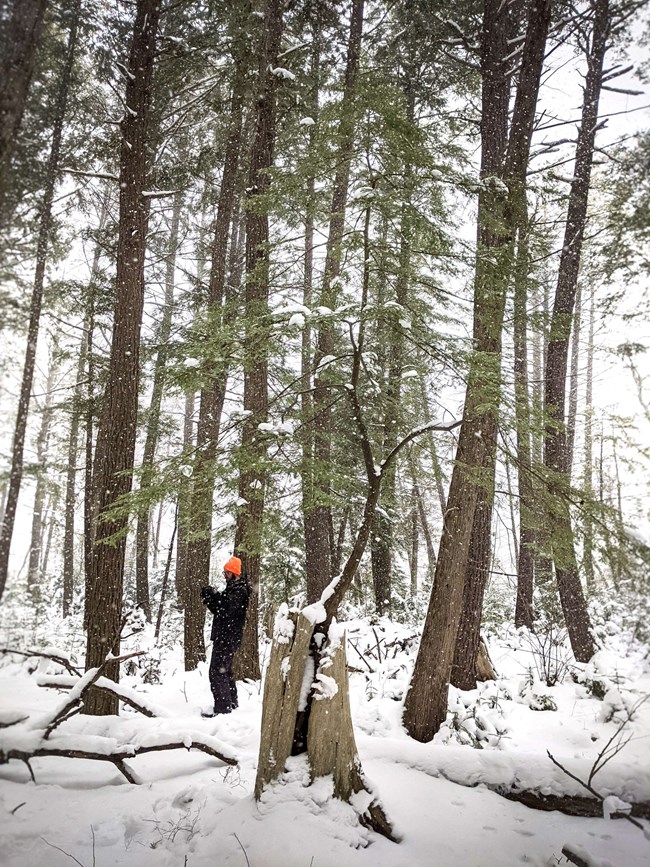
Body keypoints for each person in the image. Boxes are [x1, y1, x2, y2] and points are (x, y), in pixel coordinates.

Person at [200, 556, 250, 717]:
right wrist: (210, 597)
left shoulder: (239, 590)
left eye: (227, 573)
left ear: (234, 573)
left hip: (227, 638)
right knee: (224, 671)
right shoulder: (234, 589)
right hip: (225, 636)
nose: (225, 575)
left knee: (217, 672)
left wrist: (212, 596)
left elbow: (224, 609)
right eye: (224, 572)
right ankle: (231, 703)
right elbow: (220, 608)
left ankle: (223, 709)